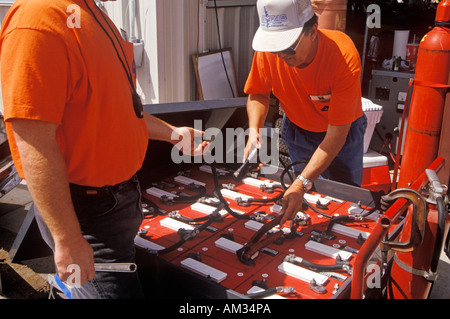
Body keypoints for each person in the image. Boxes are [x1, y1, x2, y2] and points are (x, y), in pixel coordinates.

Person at [0, 0, 207, 299]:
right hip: (86, 214)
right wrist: (67, 238)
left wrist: (172, 133)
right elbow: (33, 142)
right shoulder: (38, 19)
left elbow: (118, 109)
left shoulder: (92, 13)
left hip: (116, 201)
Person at [243, 0, 367, 225]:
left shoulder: (342, 56)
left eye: (288, 47)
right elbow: (258, 94)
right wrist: (254, 131)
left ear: (312, 31)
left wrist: (301, 182)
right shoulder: (269, 53)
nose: (281, 55)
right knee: (305, 200)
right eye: (275, 48)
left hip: (342, 135)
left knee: (344, 201)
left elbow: (336, 135)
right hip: (299, 129)